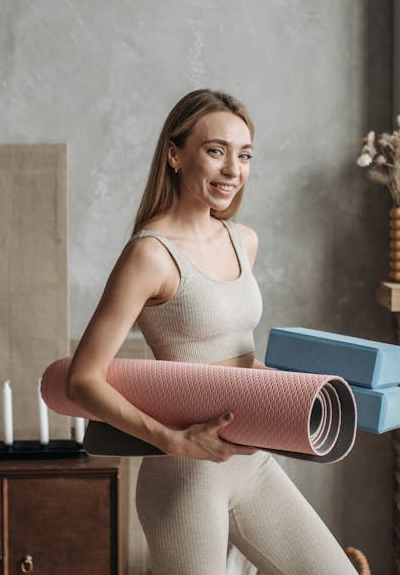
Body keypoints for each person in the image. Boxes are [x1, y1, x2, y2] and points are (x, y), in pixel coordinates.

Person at [66, 90, 359, 575]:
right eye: (216, 151)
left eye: (244, 155)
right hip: (185, 473)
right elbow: (83, 379)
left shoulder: (243, 241)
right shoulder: (150, 255)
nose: (233, 170)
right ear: (175, 154)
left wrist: (302, 398)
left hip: (253, 463)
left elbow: (235, 359)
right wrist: (170, 440)